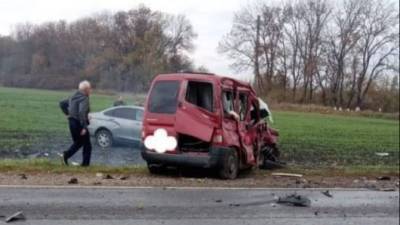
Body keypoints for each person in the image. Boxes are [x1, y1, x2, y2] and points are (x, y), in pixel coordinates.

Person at [59, 80, 92, 166]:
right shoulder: (84, 98)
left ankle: (65, 156)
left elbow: (62, 104)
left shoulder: (73, 96)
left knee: (79, 142)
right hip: (79, 124)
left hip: (72, 123)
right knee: (87, 145)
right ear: (86, 89)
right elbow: (81, 112)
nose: (90, 90)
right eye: (90, 88)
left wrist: (68, 114)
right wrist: (84, 127)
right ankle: (84, 164)